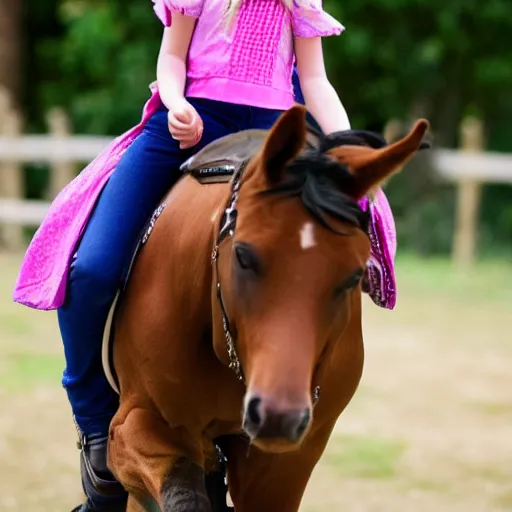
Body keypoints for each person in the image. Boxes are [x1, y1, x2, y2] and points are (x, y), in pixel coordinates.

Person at [13, 1, 396, 510]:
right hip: (193, 121)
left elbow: (315, 78)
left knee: (341, 237)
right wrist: (175, 103)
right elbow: (171, 57)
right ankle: (94, 422)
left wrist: (344, 147)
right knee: (93, 266)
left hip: (277, 131)